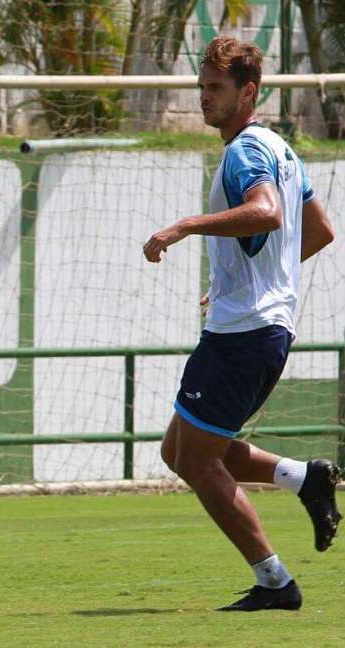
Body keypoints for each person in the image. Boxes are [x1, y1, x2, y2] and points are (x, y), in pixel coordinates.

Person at [143, 36, 340, 611]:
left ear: (248, 92)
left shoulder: (245, 152)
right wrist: (246, 279)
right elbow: (320, 230)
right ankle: (305, 478)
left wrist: (185, 226)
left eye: (216, 88)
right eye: (201, 87)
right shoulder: (281, 148)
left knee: (196, 460)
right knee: (179, 450)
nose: (204, 98)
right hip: (257, 325)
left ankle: (275, 582)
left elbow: (266, 213)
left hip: (245, 333)